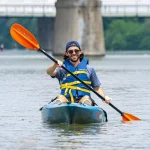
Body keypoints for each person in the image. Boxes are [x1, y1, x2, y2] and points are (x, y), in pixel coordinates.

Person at [47, 40, 111, 106]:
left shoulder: (89, 69)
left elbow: (97, 88)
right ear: (66, 53)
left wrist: (104, 97)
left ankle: (86, 108)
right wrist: (55, 64)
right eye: (70, 51)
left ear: (80, 52)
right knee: (60, 98)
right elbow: (49, 72)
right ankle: (58, 107)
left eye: (76, 51)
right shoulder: (62, 68)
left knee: (86, 99)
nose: (74, 53)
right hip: (66, 99)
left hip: (83, 99)